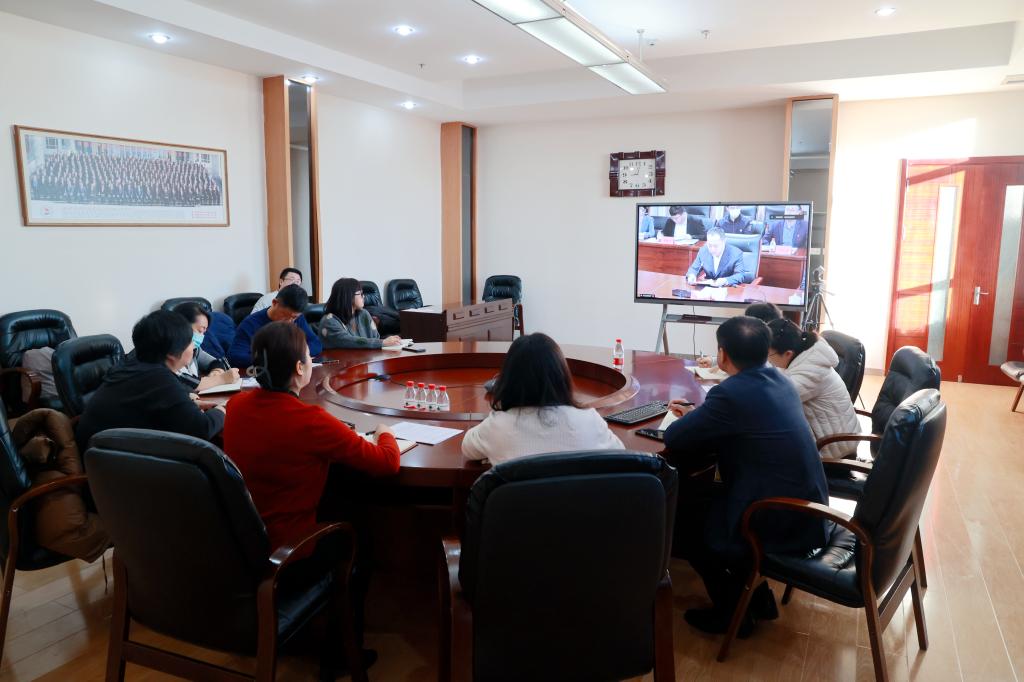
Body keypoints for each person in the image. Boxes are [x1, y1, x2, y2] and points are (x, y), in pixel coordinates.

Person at [222, 322, 400, 671]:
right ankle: (341, 654)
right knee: (358, 539)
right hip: (289, 552)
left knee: (340, 500)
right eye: (308, 356)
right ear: (299, 368)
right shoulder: (311, 420)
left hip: (242, 545)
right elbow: (386, 462)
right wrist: (385, 432)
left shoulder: (237, 405)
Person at [663, 316, 828, 636]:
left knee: (684, 525)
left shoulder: (731, 393)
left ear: (722, 354)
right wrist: (701, 416)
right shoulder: (779, 379)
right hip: (807, 507)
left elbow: (675, 438)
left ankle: (731, 615)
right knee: (702, 500)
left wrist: (690, 418)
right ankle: (755, 598)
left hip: (775, 514)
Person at [75, 310, 226, 454]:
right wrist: (223, 409)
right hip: (113, 463)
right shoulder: (158, 378)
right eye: (190, 342)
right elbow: (202, 429)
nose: (193, 347)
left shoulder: (133, 366)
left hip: (102, 453)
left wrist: (188, 404)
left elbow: (151, 405)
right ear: (172, 353)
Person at [462, 333, 624, 464]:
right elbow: (620, 452)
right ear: (561, 376)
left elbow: (467, 448)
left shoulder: (498, 426)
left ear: (508, 381)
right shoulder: (589, 420)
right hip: (579, 497)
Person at [766, 319, 860, 460]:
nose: (768, 360)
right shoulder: (804, 355)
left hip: (831, 449)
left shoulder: (810, 372)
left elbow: (774, 402)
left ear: (788, 353)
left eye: (768, 355)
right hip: (821, 435)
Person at [228, 284, 323, 368]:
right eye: (284, 315)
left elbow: (315, 343)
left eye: (294, 317)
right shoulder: (250, 324)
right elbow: (235, 356)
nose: (289, 321)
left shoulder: (297, 318)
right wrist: (274, 359)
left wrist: (298, 354)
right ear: (274, 303)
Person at [173, 303, 241, 392]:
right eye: (199, 331)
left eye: (204, 332)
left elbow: (215, 362)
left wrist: (216, 371)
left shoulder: (195, 350)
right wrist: (222, 379)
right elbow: (185, 382)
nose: (201, 336)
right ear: (182, 326)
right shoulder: (170, 353)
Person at [320, 278, 402, 350]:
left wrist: (389, 342)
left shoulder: (363, 314)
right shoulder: (329, 321)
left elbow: (375, 338)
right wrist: (382, 342)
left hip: (365, 359)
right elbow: (348, 341)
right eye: (361, 294)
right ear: (348, 296)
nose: (364, 297)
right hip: (340, 361)